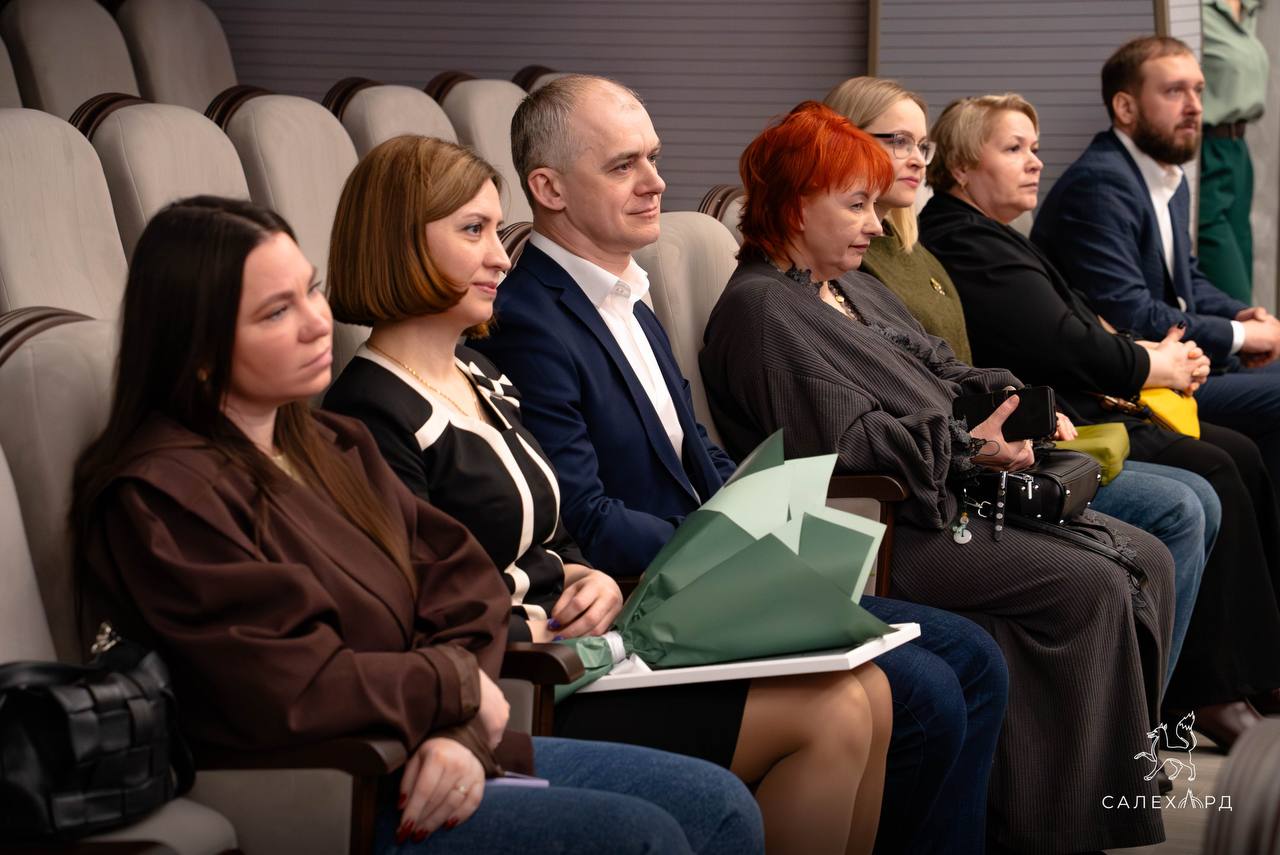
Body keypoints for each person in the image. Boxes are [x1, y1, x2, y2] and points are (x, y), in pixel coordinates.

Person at [70, 195, 765, 855]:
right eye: (276, 312)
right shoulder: (162, 497)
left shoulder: (333, 445)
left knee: (719, 803)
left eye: (311, 292)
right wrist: (455, 692)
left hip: (435, 740)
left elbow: (463, 587)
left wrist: (458, 728)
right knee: (640, 836)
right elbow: (291, 683)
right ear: (196, 350)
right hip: (342, 782)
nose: (316, 322)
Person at [473, 73, 1009, 855]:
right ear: (548, 188)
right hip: (653, 594)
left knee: (972, 657)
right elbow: (584, 513)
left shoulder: (627, 294)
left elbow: (699, 450)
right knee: (926, 689)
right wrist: (728, 549)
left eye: (654, 158)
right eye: (623, 165)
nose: (656, 181)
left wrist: (770, 518)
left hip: (714, 572)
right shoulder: (532, 319)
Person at [322, 135, 893, 854]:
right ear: (398, 243)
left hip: (586, 646)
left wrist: (584, 575)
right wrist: (536, 619)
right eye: (472, 232)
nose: (501, 257)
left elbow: (551, 529)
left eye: (496, 231)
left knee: (869, 692)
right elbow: (409, 607)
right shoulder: (368, 412)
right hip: (523, 679)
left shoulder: (479, 375)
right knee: (833, 714)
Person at [699, 101, 1176, 855]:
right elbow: (846, 446)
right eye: (856, 205)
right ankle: (1053, 826)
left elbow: (941, 364)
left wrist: (1018, 405)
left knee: (1148, 556)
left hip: (945, 495)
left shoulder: (848, 286)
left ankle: (1077, 801)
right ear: (794, 206)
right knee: (1090, 584)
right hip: (881, 528)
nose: (876, 224)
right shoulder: (761, 311)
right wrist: (968, 449)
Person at [825, 75, 1218, 683]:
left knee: (1198, 492)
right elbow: (895, 399)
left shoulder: (912, 248)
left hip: (981, 452)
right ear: (840, 144)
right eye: (894, 140)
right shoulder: (854, 263)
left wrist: (1022, 407)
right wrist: (986, 437)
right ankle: (1154, 715)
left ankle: (1151, 717)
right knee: (1184, 502)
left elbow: (951, 363)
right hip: (947, 480)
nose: (913, 158)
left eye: (920, 144)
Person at [919, 91, 1280, 746]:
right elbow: (1062, 340)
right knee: (1210, 475)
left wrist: (1153, 354)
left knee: (1233, 457)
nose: (1036, 162)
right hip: (1053, 421)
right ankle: (1199, 695)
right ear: (963, 166)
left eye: (1034, 147)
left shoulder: (991, 235)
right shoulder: (963, 238)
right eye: (1014, 148)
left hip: (1080, 404)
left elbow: (1084, 319)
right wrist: (1153, 363)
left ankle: (1248, 673)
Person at [1031, 36, 1280, 486]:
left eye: (1198, 90)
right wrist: (1242, 336)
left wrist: (1241, 315)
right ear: (1125, 108)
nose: (1194, 106)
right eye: (1174, 91)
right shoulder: (1100, 185)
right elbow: (1132, 313)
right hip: (1132, 384)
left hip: (1185, 363)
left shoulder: (1167, 175)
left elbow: (1187, 279)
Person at [1199, 0, 1269, 305]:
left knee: (1244, 273)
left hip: (1237, 150)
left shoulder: (1249, 7)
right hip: (1204, 147)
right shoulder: (1195, 9)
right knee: (1231, 292)